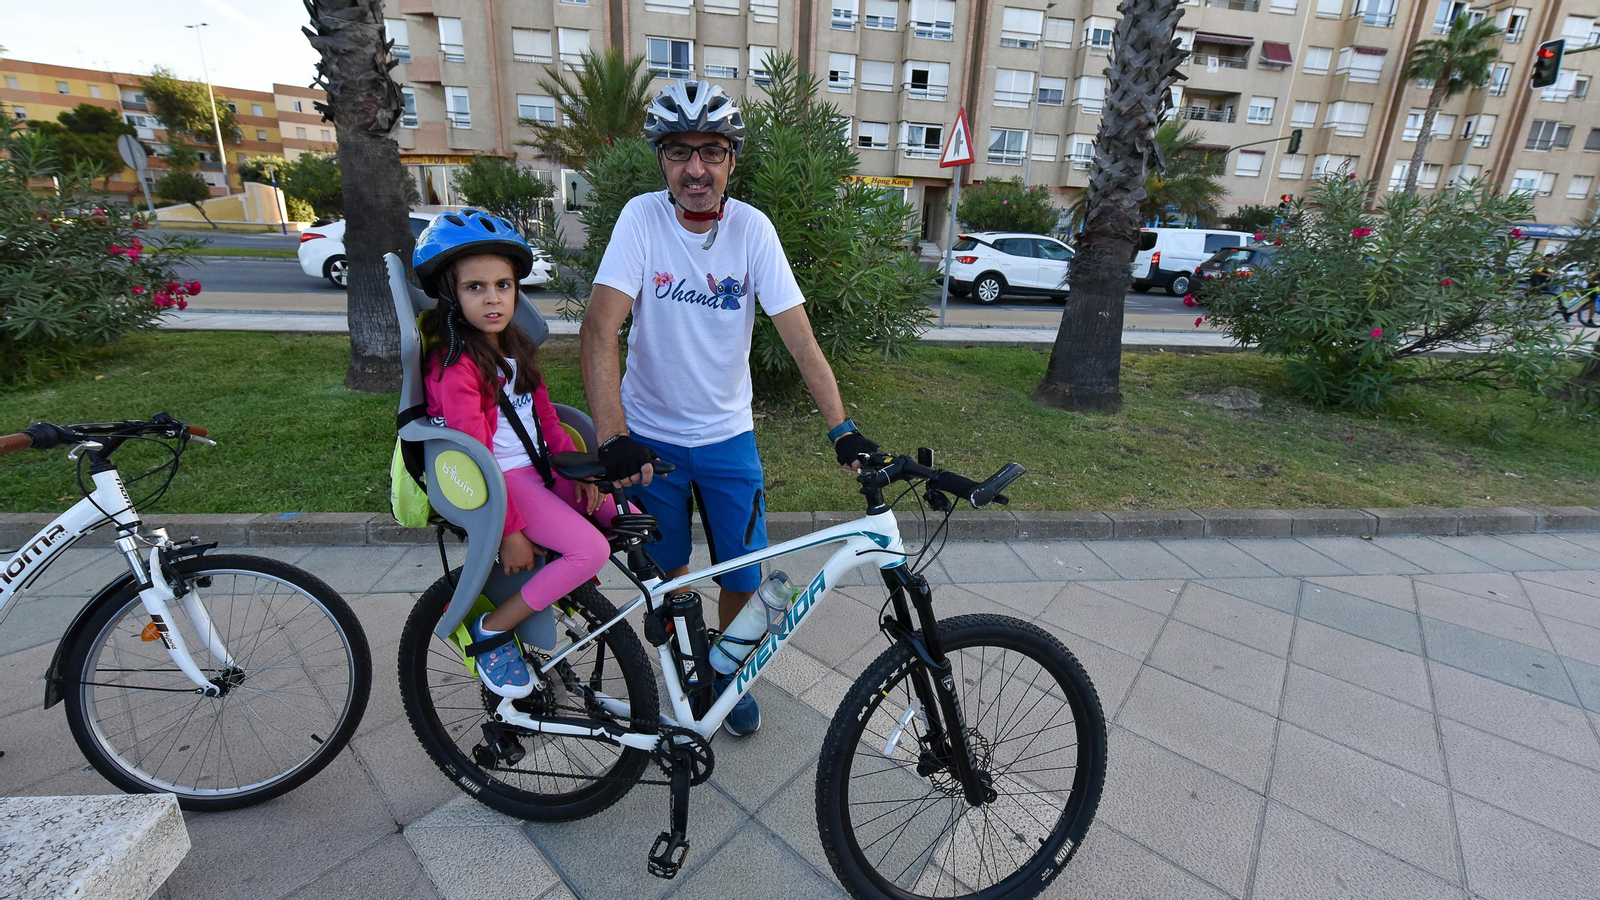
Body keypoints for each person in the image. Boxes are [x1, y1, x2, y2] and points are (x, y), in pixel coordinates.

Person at [580, 81, 877, 737]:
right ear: (662, 159)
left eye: (711, 152)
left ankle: (726, 671)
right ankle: (690, 672)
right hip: (649, 442)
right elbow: (600, 328)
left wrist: (844, 429)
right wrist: (612, 436)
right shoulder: (640, 220)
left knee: (743, 575)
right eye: (680, 152)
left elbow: (801, 340)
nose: (696, 169)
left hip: (727, 440)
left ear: (731, 161)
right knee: (672, 574)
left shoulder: (752, 231)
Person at [416, 209, 618, 699]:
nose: (493, 299)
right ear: (451, 293)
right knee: (591, 550)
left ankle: (548, 587)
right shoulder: (456, 368)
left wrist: (581, 470)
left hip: (540, 469)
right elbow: (475, 454)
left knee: (620, 514)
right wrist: (507, 532)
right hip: (503, 482)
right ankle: (492, 628)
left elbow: (546, 421)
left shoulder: (514, 348)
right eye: (475, 287)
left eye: (503, 286)